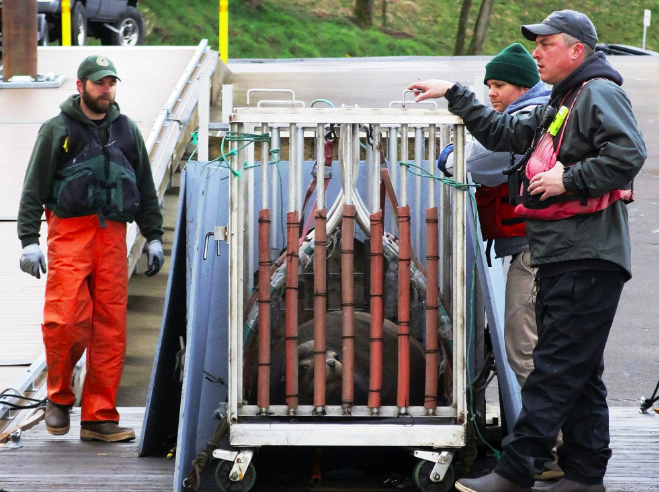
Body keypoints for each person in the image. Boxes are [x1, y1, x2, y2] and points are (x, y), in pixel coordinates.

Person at [409, 10, 646, 492]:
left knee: (555, 368)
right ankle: (583, 475)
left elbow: (629, 154)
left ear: (577, 50)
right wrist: (456, 94)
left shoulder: (598, 92)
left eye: (547, 44)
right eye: (535, 45)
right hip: (566, 253)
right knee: (580, 373)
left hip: (587, 254)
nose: (536, 53)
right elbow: (504, 135)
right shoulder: (564, 99)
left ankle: (515, 471)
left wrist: (569, 178)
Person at [17, 55, 165, 442]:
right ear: (81, 86)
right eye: (99, 83)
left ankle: (99, 417)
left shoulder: (128, 130)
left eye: (112, 82)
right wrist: (29, 241)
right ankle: (59, 398)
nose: (106, 89)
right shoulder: (56, 129)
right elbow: (33, 188)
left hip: (113, 237)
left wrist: (153, 236)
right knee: (65, 321)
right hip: (70, 234)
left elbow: (145, 187)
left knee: (110, 329)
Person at [439, 44, 562, 482]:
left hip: (533, 250)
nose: (491, 93)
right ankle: (554, 447)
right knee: (543, 347)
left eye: (500, 84)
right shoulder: (534, 112)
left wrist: (449, 154)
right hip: (536, 248)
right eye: (488, 84)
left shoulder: (525, 122)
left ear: (524, 85)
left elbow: (470, 164)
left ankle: (548, 454)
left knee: (522, 345)